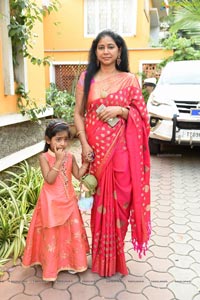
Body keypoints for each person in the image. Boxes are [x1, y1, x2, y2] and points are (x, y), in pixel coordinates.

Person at [74, 30, 151, 277]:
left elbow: (143, 118)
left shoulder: (129, 80)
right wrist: (84, 145)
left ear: (119, 51)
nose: (105, 51)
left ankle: (116, 256)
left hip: (122, 152)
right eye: (101, 47)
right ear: (95, 52)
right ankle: (99, 257)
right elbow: (78, 114)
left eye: (111, 47)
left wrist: (121, 110)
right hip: (95, 152)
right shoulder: (87, 78)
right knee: (97, 204)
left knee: (121, 203)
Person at [22, 120, 90, 281]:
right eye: (58, 139)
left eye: (66, 139)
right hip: (50, 203)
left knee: (69, 233)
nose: (63, 143)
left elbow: (78, 175)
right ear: (48, 140)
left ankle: (72, 262)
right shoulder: (43, 157)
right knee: (52, 234)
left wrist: (86, 163)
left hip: (69, 200)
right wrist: (59, 160)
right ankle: (51, 264)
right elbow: (50, 179)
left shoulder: (70, 156)